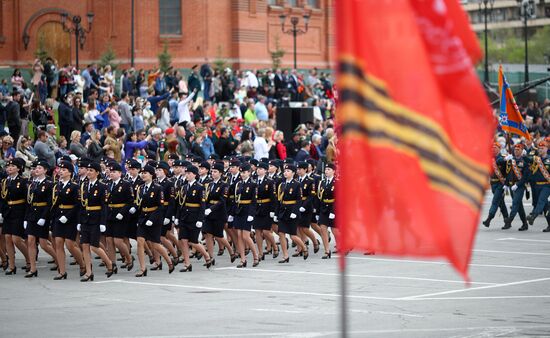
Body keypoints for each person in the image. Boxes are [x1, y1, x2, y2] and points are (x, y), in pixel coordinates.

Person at [134, 164, 175, 277]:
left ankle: (169, 261)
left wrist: (152, 219)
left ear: (151, 175)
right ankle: (143, 268)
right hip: (143, 218)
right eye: (142, 173)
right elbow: (139, 204)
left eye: (145, 173)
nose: (143, 175)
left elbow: (160, 207)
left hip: (155, 218)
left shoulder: (158, 188)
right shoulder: (140, 188)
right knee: (140, 242)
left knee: (155, 244)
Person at [78, 161, 114, 282]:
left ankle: (109, 262)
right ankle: (89, 272)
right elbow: (82, 204)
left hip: (96, 218)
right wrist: (79, 220)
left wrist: (103, 223)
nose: (88, 172)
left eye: (91, 170)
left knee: (94, 246)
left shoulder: (102, 186)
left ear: (97, 173)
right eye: (87, 170)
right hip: (85, 218)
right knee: (85, 246)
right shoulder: (84, 185)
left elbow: (104, 206)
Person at [175, 165, 213, 271]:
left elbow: (202, 205)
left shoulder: (200, 187)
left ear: (195, 175)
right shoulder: (184, 187)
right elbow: (180, 204)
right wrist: (177, 216)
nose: (187, 175)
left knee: (193, 241)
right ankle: (187, 264)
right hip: (184, 217)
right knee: (183, 240)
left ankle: (206, 256)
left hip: (194, 217)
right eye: (186, 173)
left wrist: (200, 220)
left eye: (189, 173)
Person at [23, 160, 57, 277]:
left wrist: (44, 217)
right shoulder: (32, 184)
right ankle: (33, 268)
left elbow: (49, 203)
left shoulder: (49, 184)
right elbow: (29, 202)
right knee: (31, 241)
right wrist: (26, 219)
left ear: (45, 170)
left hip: (43, 215)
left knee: (43, 244)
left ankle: (58, 260)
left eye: (39, 168)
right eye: (36, 168)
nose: (36, 170)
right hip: (32, 214)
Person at [1, 158, 30, 275]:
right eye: (8, 166)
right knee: (7, 238)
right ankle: (12, 265)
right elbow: (3, 199)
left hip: (19, 211)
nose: (9, 168)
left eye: (12, 166)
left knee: (16, 239)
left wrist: (26, 216)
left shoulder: (23, 181)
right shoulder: (5, 182)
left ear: (18, 168)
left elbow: (27, 200)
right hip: (8, 212)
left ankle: (29, 259)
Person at [203, 162, 236, 263]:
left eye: (215, 172)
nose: (213, 173)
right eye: (212, 171)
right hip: (208, 212)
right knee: (207, 234)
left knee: (218, 235)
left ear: (221, 173)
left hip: (219, 213)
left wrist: (211, 209)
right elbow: (206, 198)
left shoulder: (224, 185)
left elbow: (222, 201)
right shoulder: (209, 184)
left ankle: (231, 250)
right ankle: (210, 257)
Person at [276, 164, 308, 263]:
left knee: (292, 235)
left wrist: (295, 212)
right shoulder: (282, 184)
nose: (286, 173)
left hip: (292, 212)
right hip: (283, 211)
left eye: (288, 171)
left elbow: (299, 200)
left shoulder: (297, 184)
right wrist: (276, 214)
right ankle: (285, 255)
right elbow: (279, 200)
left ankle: (304, 247)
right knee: (281, 233)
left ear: (293, 173)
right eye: (285, 171)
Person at [105, 162, 135, 271]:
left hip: (121, 215)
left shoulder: (126, 184)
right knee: (109, 240)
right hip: (110, 214)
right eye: (110, 172)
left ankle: (128, 258)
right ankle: (112, 264)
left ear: (120, 173)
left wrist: (122, 213)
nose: (111, 174)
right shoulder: (108, 184)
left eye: (114, 172)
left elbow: (130, 201)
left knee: (118, 241)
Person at [254, 162, 279, 260]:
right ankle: (260, 253)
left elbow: (273, 198)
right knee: (257, 231)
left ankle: (275, 246)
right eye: (258, 168)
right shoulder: (254, 181)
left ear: (265, 170)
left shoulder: (270, 181)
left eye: (261, 169)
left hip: (266, 207)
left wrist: (273, 211)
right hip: (257, 208)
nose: (258, 170)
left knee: (266, 231)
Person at [503, 143, 530, 231]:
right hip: (511, 185)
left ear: (522, 151)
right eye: (515, 150)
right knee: (519, 206)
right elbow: (508, 173)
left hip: (519, 186)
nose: (516, 151)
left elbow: (525, 177)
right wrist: (507, 184)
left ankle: (509, 220)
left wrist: (517, 185)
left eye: (518, 150)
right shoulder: (511, 160)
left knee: (515, 203)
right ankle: (525, 224)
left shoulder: (525, 161)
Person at [482, 143, 509, 228]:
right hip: (493, 183)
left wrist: (507, 159)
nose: (493, 149)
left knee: (495, 201)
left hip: (500, 183)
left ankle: (489, 219)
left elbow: (503, 163)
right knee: (501, 202)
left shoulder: (503, 157)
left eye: (495, 148)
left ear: (499, 148)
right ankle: (507, 220)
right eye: (492, 147)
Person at [526, 141, 550, 232]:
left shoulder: (549, 159)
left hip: (546, 185)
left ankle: (533, 216)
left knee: (541, 201)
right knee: (545, 207)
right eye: (539, 148)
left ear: (546, 149)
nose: (540, 150)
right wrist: (524, 155)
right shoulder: (536, 159)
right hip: (537, 185)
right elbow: (528, 160)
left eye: (542, 148)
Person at [318, 163, 336, 259]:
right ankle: (327, 251)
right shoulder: (322, 182)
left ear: (333, 171)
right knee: (323, 229)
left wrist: (333, 211)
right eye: (326, 169)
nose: (326, 171)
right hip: (324, 208)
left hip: (333, 208)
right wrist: (317, 212)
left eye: (329, 169)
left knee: (335, 230)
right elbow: (319, 197)